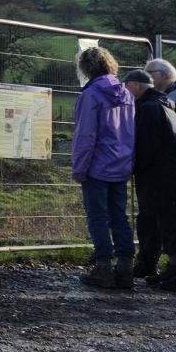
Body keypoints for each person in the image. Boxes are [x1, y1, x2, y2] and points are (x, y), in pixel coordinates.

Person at [121, 69, 176, 293]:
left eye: (126, 85)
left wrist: (130, 166)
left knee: (175, 226)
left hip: (168, 180)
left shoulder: (149, 109)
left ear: (137, 87)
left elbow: (147, 147)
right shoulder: (162, 105)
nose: (124, 90)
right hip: (171, 177)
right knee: (171, 224)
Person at [70, 45, 136, 290]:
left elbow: (86, 136)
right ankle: (126, 267)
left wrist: (79, 168)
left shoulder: (90, 95)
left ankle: (103, 268)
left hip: (97, 167)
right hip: (121, 166)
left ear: (86, 68)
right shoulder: (127, 94)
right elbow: (130, 132)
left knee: (98, 217)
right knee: (119, 217)